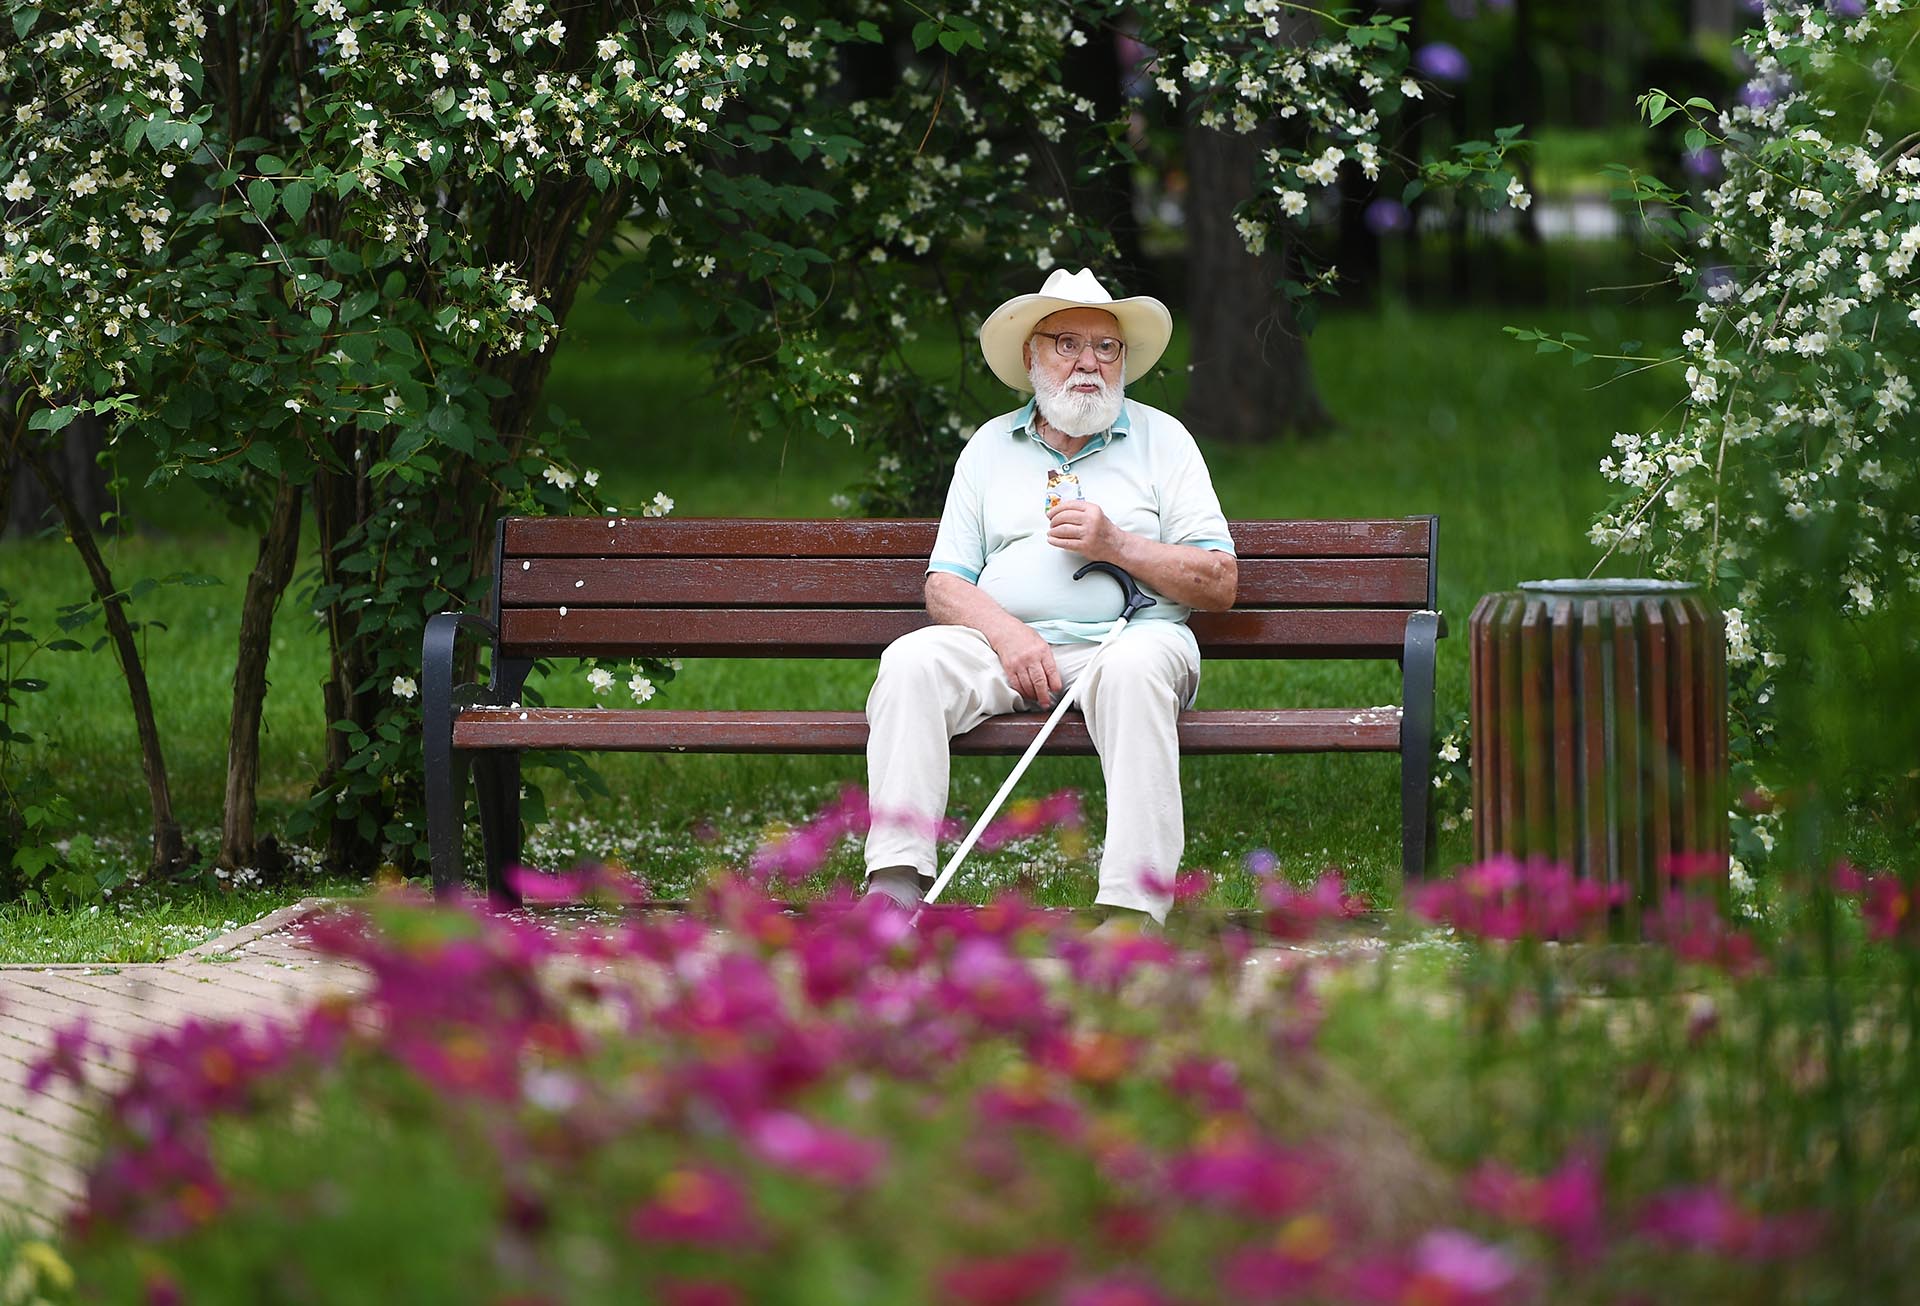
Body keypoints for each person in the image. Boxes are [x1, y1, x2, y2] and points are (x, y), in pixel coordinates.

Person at [862, 267, 1237, 926]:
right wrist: (1008, 635)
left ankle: (1131, 913)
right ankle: (892, 887)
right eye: (1068, 343)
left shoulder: (1164, 441)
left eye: (1106, 347)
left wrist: (1116, 544)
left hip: (1131, 638)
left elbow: (1219, 581)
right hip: (1004, 648)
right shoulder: (988, 448)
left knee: (1131, 672)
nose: (1088, 362)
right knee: (911, 663)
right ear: (1033, 355)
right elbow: (945, 583)